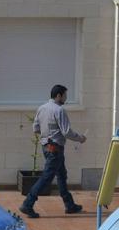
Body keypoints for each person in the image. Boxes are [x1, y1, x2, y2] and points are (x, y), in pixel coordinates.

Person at [19, 85, 87, 218]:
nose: (66, 99)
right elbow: (66, 132)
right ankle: (28, 203)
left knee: (61, 175)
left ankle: (70, 205)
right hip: (55, 148)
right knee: (46, 178)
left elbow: (36, 128)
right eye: (65, 96)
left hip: (47, 147)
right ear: (58, 96)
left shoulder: (42, 108)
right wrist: (80, 138)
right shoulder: (59, 110)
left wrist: (47, 134)